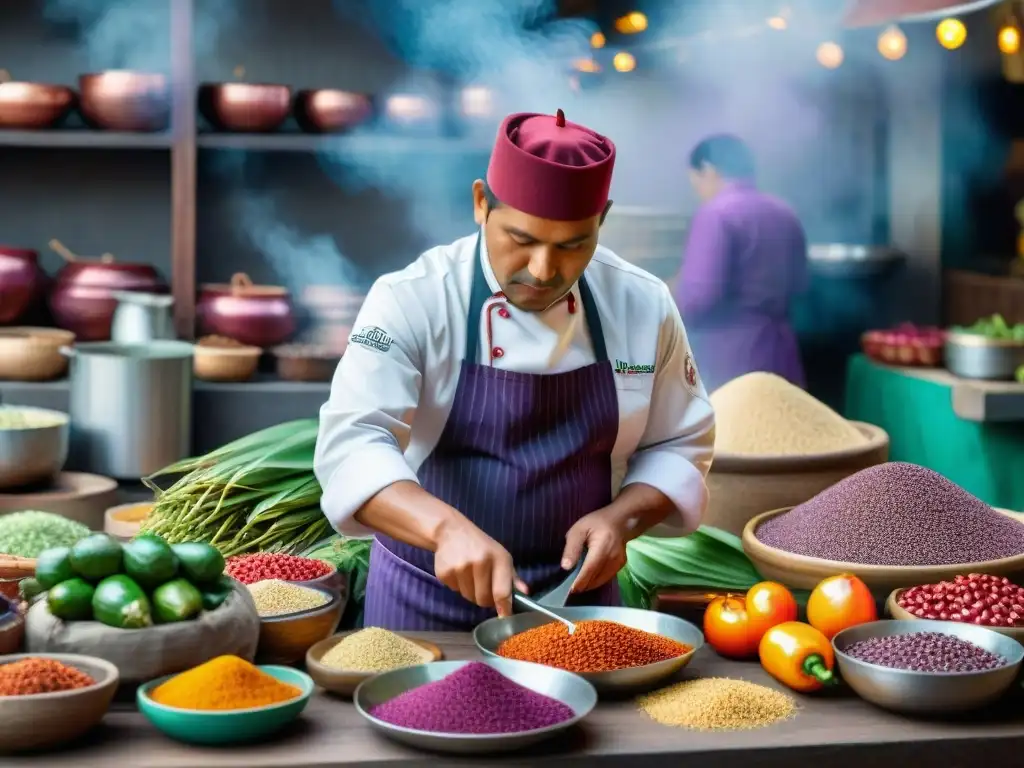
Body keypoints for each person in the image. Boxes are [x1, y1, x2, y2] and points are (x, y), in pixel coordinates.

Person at [314, 109, 715, 632]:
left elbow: (680, 443)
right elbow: (352, 445)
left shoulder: (642, 303)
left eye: (573, 246)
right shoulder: (414, 297)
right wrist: (443, 531)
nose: (544, 271)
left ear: (603, 219)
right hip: (425, 601)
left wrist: (623, 518)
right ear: (481, 203)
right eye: (522, 240)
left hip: (578, 606)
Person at [675, 134, 808, 393]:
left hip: (733, 359)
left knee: (738, 431)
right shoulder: (785, 212)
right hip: (782, 352)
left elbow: (700, 299)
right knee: (782, 429)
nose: (699, 193)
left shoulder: (716, 214)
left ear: (709, 170)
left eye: (696, 182)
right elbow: (801, 284)